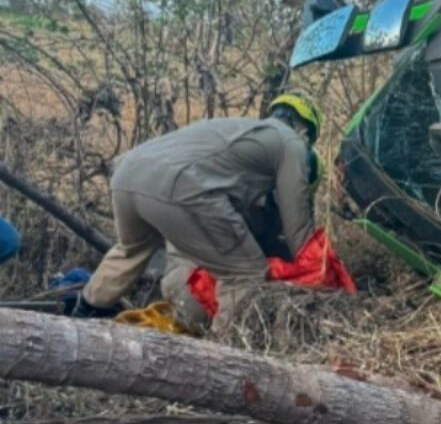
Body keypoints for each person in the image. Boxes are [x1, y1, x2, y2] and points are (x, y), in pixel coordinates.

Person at [77, 92, 323, 332]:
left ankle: (84, 310)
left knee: (131, 250)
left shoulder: (238, 131)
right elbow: (298, 231)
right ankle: (221, 352)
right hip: (179, 185)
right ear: (306, 131)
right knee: (245, 272)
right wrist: (320, 274)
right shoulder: (291, 142)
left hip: (127, 174)